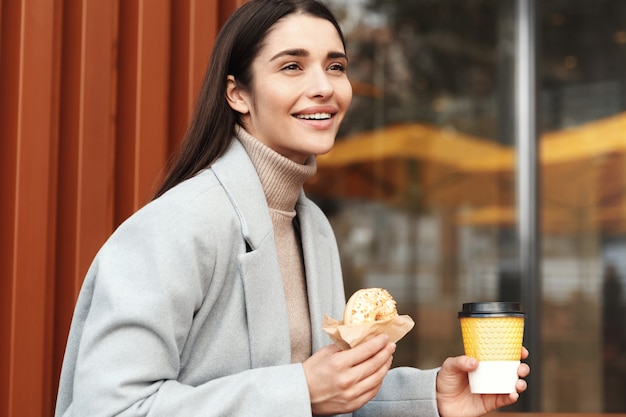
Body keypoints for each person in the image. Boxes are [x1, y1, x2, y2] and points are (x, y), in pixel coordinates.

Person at [54, 0, 530, 416]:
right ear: (237, 92)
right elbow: (110, 409)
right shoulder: (176, 227)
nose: (324, 87)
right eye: (292, 67)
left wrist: (430, 397)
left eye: (336, 66)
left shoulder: (312, 226)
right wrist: (300, 390)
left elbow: (322, 397)